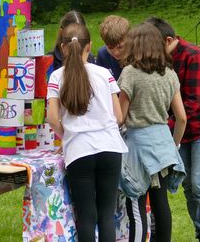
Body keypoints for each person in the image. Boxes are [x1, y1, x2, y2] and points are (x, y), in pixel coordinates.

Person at [46, 23, 128, 242]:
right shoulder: (104, 74)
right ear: (89, 46)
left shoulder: (56, 77)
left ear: (63, 48)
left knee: (86, 217)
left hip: (79, 151)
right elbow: (119, 117)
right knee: (106, 216)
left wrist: (68, 135)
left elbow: (53, 119)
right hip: (110, 148)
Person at [146, 16, 200, 242]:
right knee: (188, 188)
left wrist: (163, 126)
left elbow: (192, 103)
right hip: (178, 132)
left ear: (168, 40)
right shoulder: (160, 61)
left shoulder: (193, 56)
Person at [118, 23, 187, 242]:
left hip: (137, 146)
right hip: (163, 146)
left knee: (136, 204)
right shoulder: (169, 74)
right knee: (161, 203)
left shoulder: (130, 74)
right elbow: (182, 117)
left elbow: (120, 116)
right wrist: (174, 144)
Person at [95, 15, 147, 242]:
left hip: (137, 125)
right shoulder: (103, 56)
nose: (116, 52)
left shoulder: (142, 55)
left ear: (130, 38)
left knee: (137, 193)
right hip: (113, 127)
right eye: (110, 47)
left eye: (120, 46)